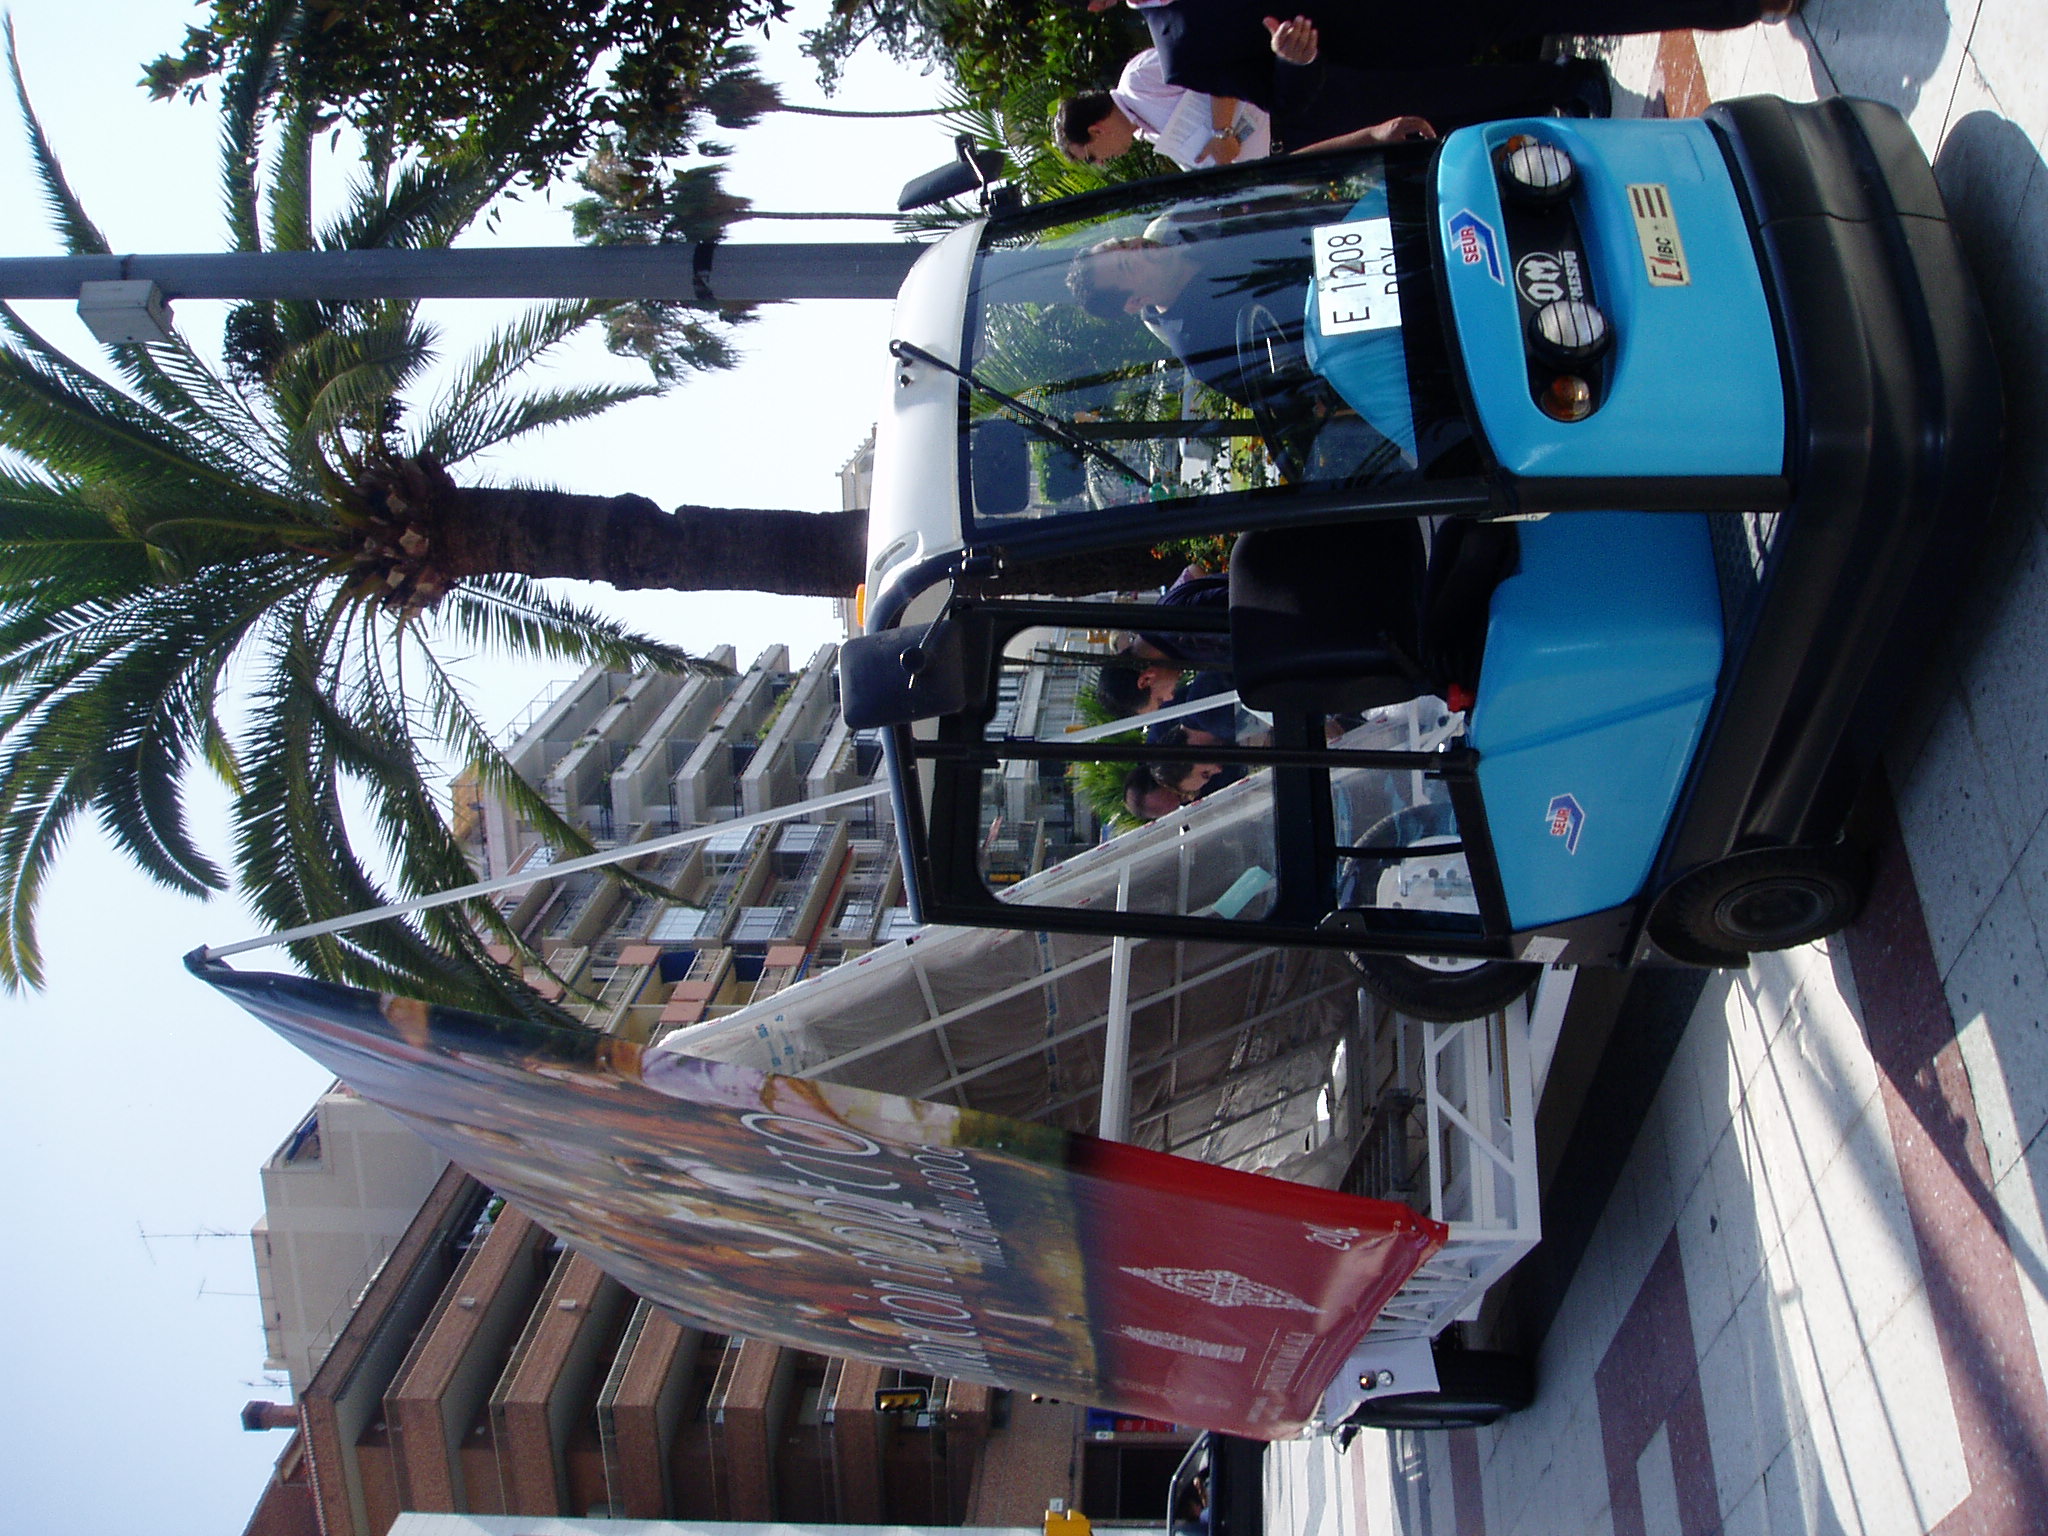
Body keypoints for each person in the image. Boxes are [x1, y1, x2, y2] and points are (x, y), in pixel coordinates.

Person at [1089, 0, 1797, 112]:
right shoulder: (1181, 53)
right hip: (1418, 23)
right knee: (1578, 6)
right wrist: (1292, 59)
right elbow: (1287, 101)